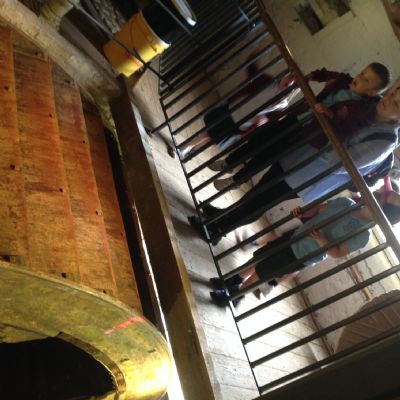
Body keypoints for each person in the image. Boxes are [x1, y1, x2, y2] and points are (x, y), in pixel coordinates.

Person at [188, 86, 400, 243]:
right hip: (300, 153)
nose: (389, 100)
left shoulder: (385, 140)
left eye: (397, 104)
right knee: (260, 190)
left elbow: (341, 161)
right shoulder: (367, 105)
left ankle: (219, 229)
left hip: (310, 175)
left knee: (262, 199)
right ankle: (221, 216)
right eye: (392, 94)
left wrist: (333, 124)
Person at [209, 63, 391, 190]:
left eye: (366, 80)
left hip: (305, 133)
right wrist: (312, 76)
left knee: (267, 154)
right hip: (296, 117)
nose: (359, 77)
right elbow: (326, 74)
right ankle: (229, 162)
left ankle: (236, 180)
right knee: (259, 137)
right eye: (362, 73)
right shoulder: (344, 80)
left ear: (372, 92)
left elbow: (343, 128)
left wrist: (329, 114)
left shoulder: (360, 110)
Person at [210, 186, 400, 306]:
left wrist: (323, 241)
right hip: (295, 237)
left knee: (264, 270)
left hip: (303, 254)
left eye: (380, 195)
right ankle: (234, 280)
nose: (375, 191)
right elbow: (319, 209)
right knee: (260, 256)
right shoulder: (345, 202)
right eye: (379, 191)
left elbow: (339, 253)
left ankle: (236, 295)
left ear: (382, 213)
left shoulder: (363, 235)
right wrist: (304, 213)